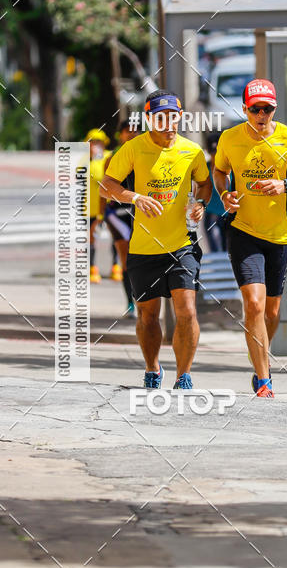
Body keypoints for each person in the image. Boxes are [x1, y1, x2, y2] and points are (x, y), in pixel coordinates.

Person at [213, 78, 287, 398]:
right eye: (255, 109)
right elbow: (219, 171)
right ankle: (264, 380)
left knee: (271, 313)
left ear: (275, 109)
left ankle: (260, 355)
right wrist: (224, 194)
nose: (261, 115)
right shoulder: (230, 138)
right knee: (254, 304)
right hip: (243, 231)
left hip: (279, 235)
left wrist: (285, 185)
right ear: (244, 108)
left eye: (268, 109)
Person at [100, 90, 212, 389]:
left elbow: (205, 184)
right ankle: (153, 367)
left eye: (172, 117)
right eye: (160, 118)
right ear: (149, 119)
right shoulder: (133, 148)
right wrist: (135, 197)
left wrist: (201, 204)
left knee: (187, 311)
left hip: (182, 246)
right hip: (144, 248)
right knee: (148, 317)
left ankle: (183, 375)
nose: (167, 123)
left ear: (180, 118)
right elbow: (105, 186)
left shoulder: (192, 151)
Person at [103, 118, 141, 317]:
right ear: (121, 134)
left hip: (140, 211)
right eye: (128, 130)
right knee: (126, 258)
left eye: (136, 130)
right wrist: (100, 216)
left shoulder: (146, 154)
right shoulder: (113, 157)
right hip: (117, 213)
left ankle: (143, 300)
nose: (132, 134)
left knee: (142, 258)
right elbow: (104, 188)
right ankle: (130, 303)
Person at [85, 128, 111, 283]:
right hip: (89, 206)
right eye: (92, 142)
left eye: (99, 142)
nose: (95, 145)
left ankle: (116, 265)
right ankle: (92, 267)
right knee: (90, 237)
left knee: (116, 236)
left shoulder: (108, 157)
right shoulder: (84, 160)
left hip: (109, 204)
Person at [203, 131, 227, 253]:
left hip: (228, 215)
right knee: (215, 251)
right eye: (212, 153)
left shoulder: (231, 168)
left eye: (217, 152)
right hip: (211, 214)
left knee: (229, 252)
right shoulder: (204, 168)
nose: (215, 156)